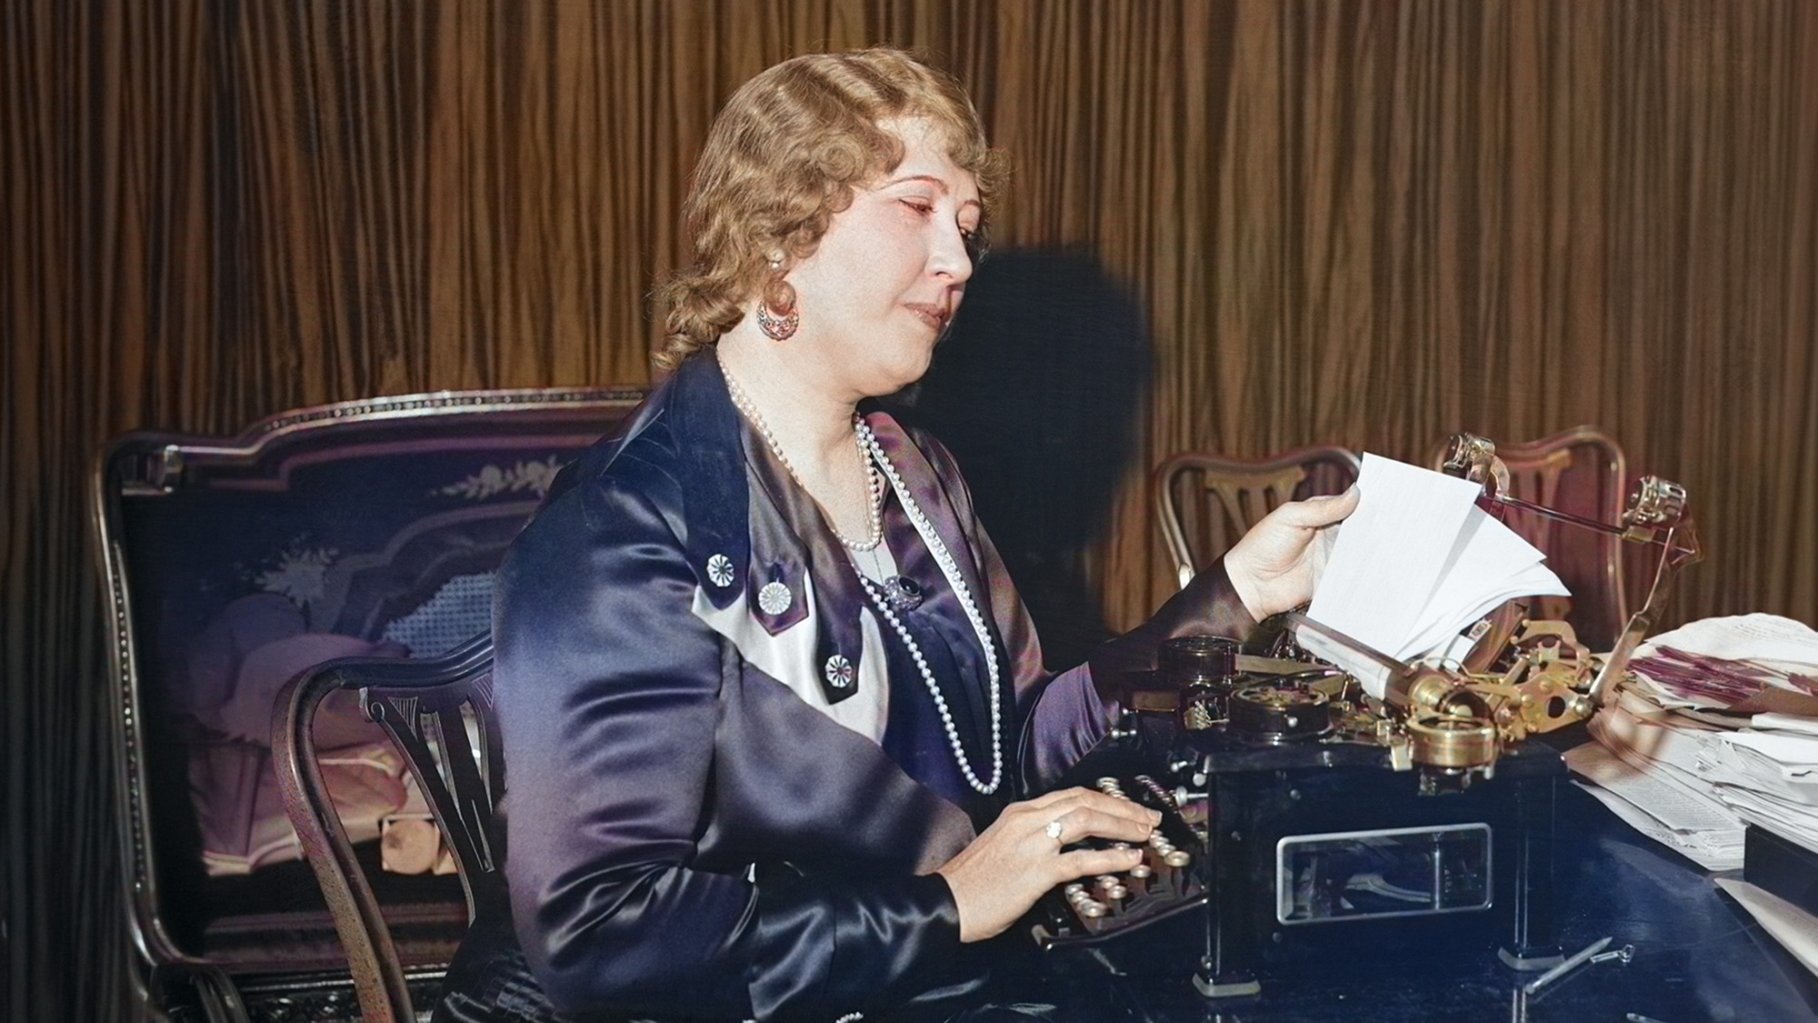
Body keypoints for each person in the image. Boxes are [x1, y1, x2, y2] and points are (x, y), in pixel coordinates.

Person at [435, 47, 1357, 1023]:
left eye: (966, 227)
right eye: (916, 209)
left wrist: (1235, 597)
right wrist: (949, 904)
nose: (959, 262)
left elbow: (1013, 745)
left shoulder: (914, 470)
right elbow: (600, 936)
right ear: (777, 234)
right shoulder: (622, 528)